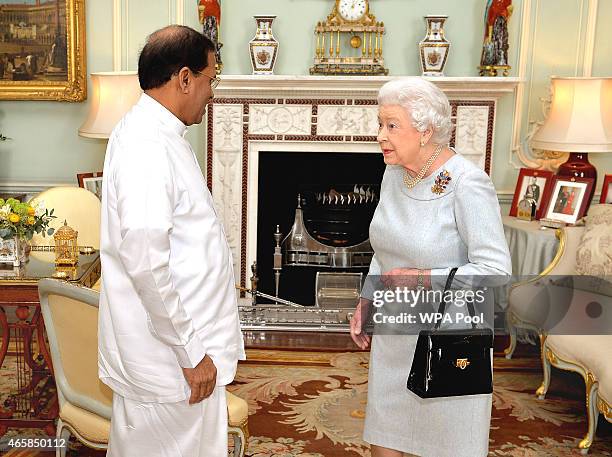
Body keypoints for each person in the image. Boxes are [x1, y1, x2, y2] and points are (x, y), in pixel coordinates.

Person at [98, 25, 245, 457]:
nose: (211, 91)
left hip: (179, 361)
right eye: (210, 79)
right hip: (173, 365)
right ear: (184, 78)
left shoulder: (160, 135)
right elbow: (146, 262)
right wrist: (191, 353)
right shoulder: (148, 146)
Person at [350, 77, 511, 457]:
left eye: (391, 125)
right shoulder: (394, 172)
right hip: (395, 332)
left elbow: (496, 269)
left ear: (425, 131)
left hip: (449, 337)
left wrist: (423, 279)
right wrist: (367, 299)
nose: (380, 135)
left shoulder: (468, 183)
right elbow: (385, 251)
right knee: (385, 440)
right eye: (380, 124)